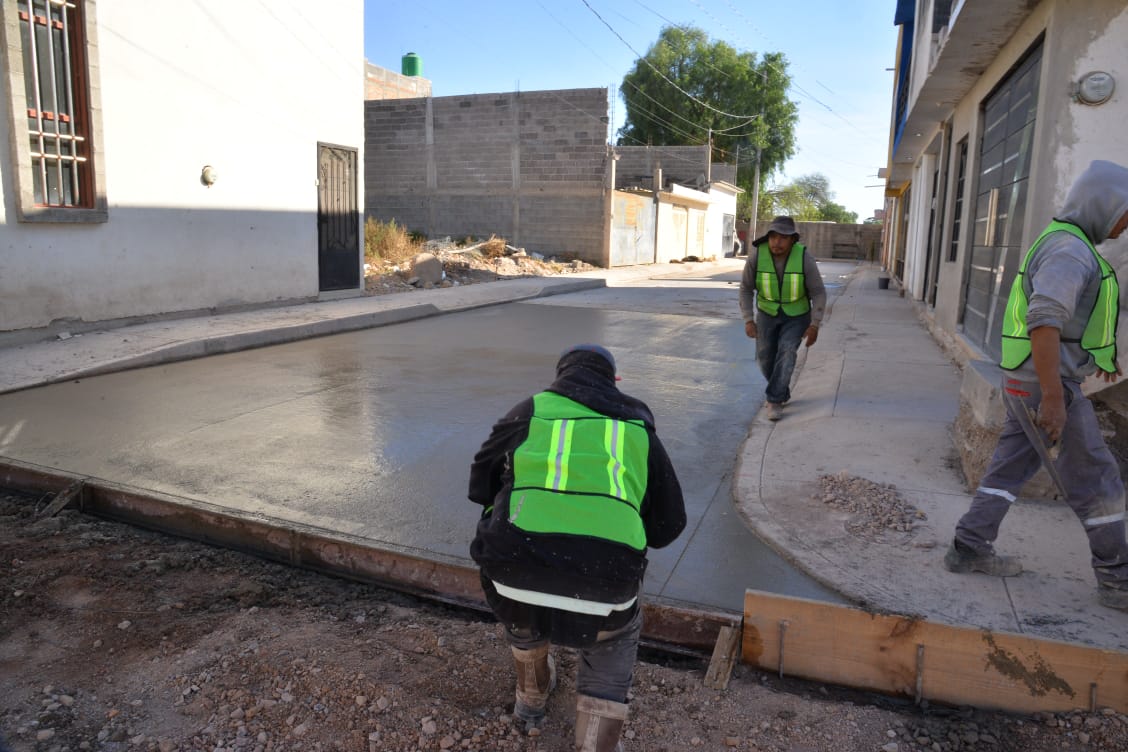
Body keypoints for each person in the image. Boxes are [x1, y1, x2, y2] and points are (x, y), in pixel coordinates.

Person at [468, 344, 686, 751]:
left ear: (559, 377)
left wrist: (500, 513)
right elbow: (667, 527)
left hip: (512, 575)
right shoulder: (638, 430)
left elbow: (480, 482)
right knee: (614, 639)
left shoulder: (529, 411)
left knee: (522, 604)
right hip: (605, 589)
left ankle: (531, 699)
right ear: (614, 381)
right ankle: (596, 742)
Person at [944, 159, 1128, 613]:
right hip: (1046, 385)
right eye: (1126, 212)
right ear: (1105, 205)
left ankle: (968, 547)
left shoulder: (1067, 243)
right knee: (1096, 480)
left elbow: (1066, 323)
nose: (1127, 224)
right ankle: (1118, 579)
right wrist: (1053, 398)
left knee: (1008, 471)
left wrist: (1095, 358)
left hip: (1032, 380)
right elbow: (1044, 322)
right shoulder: (1070, 252)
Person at [739, 216, 827, 420]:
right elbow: (745, 289)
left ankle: (774, 400)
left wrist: (814, 324)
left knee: (787, 352)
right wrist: (748, 319)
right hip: (767, 313)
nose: (776, 242)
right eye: (773, 237)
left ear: (793, 240)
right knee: (764, 358)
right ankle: (781, 390)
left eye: (783, 238)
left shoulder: (804, 258)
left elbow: (818, 292)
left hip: (797, 315)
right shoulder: (756, 256)